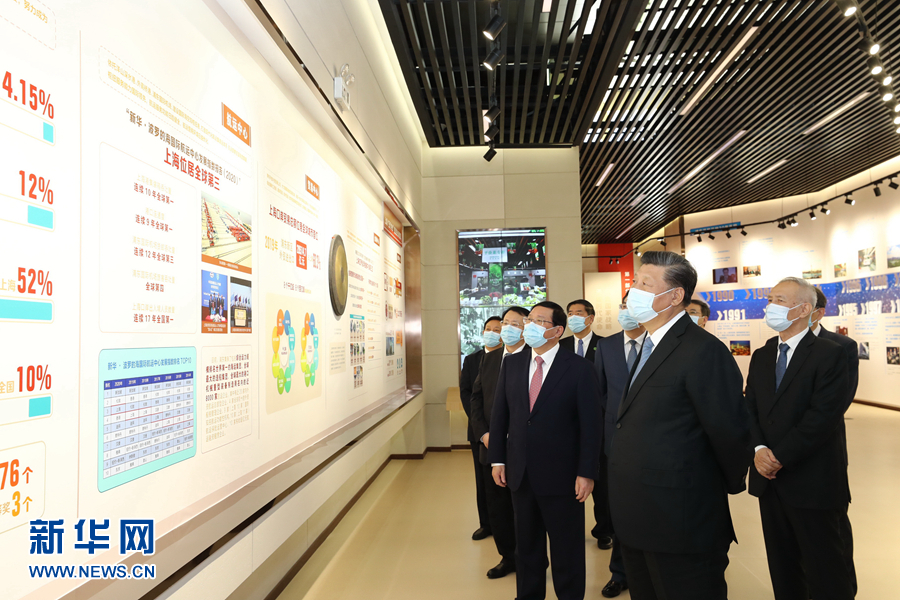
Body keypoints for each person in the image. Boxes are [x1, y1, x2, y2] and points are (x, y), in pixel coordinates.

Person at [608, 251, 751, 600]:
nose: (633, 292)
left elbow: (729, 433)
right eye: (635, 282)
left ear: (675, 296)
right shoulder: (648, 343)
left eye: (645, 284)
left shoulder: (703, 351)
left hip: (681, 518)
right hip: (637, 514)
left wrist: (712, 488)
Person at [745, 277, 852, 600]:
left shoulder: (831, 354)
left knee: (826, 568)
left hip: (813, 480)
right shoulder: (763, 354)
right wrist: (759, 448)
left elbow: (822, 418)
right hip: (769, 482)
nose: (770, 306)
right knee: (783, 565)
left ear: (804, 309)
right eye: (770, 299)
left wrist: (778, 456)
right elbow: (750, 408)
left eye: (780, 300)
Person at [489, 301, 601, 600]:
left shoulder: (579, 368)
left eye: (539, 321)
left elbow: (591, 426)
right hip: (520, 473)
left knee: (567, 551)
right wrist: (497, 459)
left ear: (557, 330)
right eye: (530, 319)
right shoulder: (512, 364)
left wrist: (587, 472)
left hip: (563, 477)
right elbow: (500, 416)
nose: (530, 325)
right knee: (527, 548)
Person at [592, 292, 647, 598]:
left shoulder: (659, 343)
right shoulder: (607, 346)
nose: (626, 311)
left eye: (632, 305)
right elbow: (599, 393)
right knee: (619, 511)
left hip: (651, 443)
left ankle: (649, 571)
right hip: (614, 442)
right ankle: (620, 573)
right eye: (623, 305)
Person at [469, 306, 529, 579]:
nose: (507, 328)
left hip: (523, 450)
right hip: (491, 449)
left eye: (515, 324)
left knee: (524, 509)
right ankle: (508, 557)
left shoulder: (533, 358)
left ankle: (531, 558)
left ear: (526, 328)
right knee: (498, 508)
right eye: (505, 322)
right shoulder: (491, 358)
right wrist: (483, 434)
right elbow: (477, 398)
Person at [809, 286, 859, 596]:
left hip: (823, 456)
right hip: (779, 461)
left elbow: (836, 404)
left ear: (817, 311)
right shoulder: (772, 348)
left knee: (833, 533)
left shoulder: (842, 346)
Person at [459, 316, 503, 541]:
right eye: (488, 329)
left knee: (503, 481)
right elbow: (467, 393)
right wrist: (480, 425)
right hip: (479, 431)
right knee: (482, 479)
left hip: (503, 430)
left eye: (497, 329)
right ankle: (486, 524)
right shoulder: (472, 359)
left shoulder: (509, 358)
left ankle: (505, 524)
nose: (492, 332)